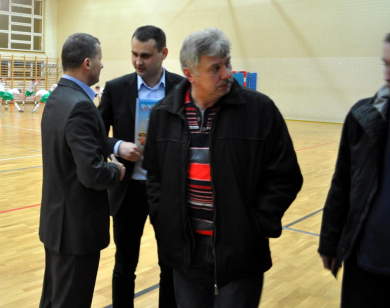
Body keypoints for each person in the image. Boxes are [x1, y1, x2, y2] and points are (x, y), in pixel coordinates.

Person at [143, 28, 303, 307]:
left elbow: (285, 175)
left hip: (240, 252)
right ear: (190, 74)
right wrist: (162, 220)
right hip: (186, 253)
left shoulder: (260, 110)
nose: (227, 73)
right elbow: (154, 176)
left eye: (227, 63)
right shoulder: (163, 114)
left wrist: (257, 225)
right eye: (215, 68)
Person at [98, 25, 183, 307]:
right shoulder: (115, 88)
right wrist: (118, 146)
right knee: (124, 265)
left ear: (164, 54)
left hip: (168, 191)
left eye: (145, 55)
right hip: (128, 190)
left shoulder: (182, 89)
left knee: (170, 265)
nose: (138, 61)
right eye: (134, 54)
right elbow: (95, 134)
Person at [39, 33, 125, 308]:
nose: (102, 65)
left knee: (53, 299)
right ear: (87, 63)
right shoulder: (80, 106)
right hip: (76, 229)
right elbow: (91, 173)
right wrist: (115, 171)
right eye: (100, 59)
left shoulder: (57, 98)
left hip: (56, 224)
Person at [318, 33, 390, 307]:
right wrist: (329, 241)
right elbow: (342, 185)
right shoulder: (363, 118)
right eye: (385, 64)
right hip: (365, 265)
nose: (388, 74)